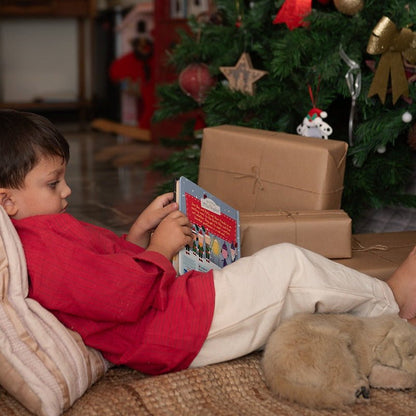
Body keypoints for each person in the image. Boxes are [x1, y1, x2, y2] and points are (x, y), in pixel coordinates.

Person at [1, 109, 416, 376]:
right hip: (176, 329)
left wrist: (137, 237)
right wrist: (160, 250)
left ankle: (372, 333)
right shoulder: (39, 246)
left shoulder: (45, 230)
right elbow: (119, 298)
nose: (67, 192)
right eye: (53, 183)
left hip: (174, 312)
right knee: (287, 265)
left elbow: (102, 277)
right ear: (8, 201)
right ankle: (391, 300)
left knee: (274, 288)